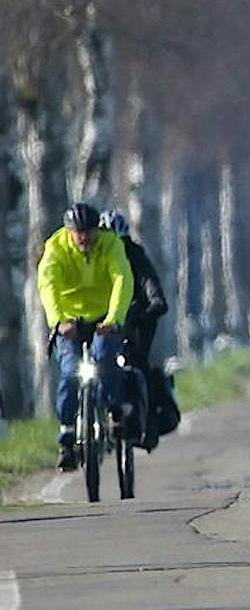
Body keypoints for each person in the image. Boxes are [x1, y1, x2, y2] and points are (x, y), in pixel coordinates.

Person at [36, 201, 134, 471]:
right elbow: (47, 285)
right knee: (69, 373)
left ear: (97, 230)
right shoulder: (55, 248)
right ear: (69, 231)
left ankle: (114, 411)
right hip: (70, 322)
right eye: (78, 233)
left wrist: (114, 318)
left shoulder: (111, 245)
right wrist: (59, 321)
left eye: (89, 232)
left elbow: (122, 280)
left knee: (105, 360)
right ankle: (67, 435)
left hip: (103, 319)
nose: (84, 238)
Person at [101, 209, 169, 440]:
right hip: (103, 322)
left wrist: (150, 307)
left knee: (138, 363)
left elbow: (153, 288)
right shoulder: (95, 257)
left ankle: (148, 424)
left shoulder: (135, 256)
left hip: (135, 322)